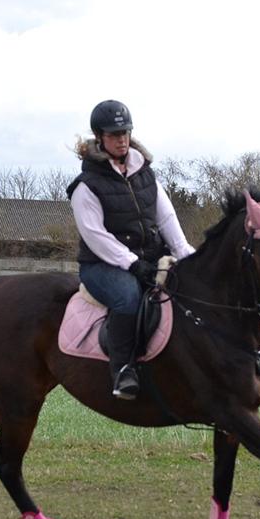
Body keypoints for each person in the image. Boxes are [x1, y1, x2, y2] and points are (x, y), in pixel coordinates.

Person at [66, 100, 195, 401]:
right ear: (99, 137)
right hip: (102, 266)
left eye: (125, 132)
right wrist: (133, 263)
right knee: (128, 298)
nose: (121, 139)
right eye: (114, 134)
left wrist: (187, 255)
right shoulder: (86, 186)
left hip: (148, 258)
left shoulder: (146, 173)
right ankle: (123, 371)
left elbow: (166, 218)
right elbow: (96, 236)